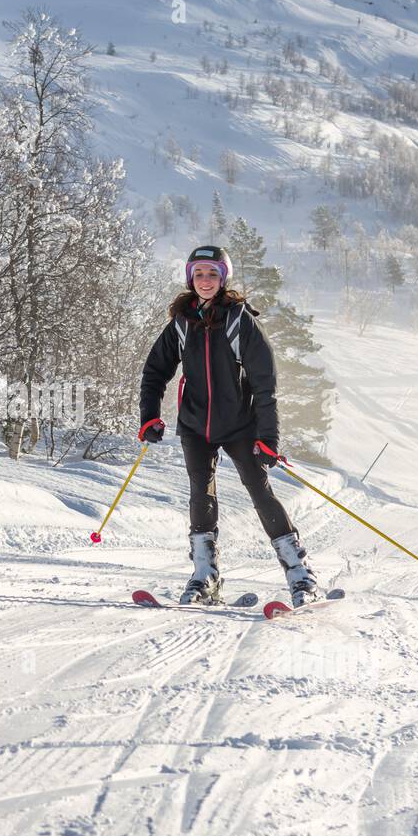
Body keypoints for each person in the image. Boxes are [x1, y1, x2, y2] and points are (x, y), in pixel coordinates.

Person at [138, 245, 321, 607]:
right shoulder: (181, 321)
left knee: (259, 491)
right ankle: (205, 577)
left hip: (240, 425)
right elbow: (155, 371)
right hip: (194, 426)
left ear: (223, 278)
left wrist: (268, 437)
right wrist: (149, 416)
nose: (205, 280)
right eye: (199, 274)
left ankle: (301, 576)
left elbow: (265, 382)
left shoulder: (239, 321)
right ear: (191, 277)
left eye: (213, 274)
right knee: (200, 496)